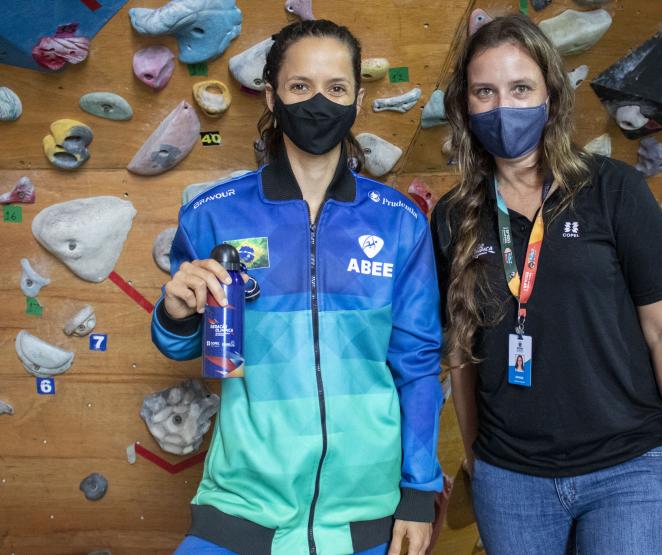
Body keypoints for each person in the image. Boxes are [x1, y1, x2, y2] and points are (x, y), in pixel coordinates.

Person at [151, 19, 443, 555]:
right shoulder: (212, 215)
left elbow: (418, 364)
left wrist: (419, 491)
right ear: (272, 95)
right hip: (240, 507)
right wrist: (174, 313)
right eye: (300, 86)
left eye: (336, 88)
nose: (319, 103)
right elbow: (190, 345)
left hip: (366, 513)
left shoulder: (399, 222)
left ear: (356, 99)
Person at [431, 15, 662, 555]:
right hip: (512, 479)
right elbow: (460, 353)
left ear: (552, 97)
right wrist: (475, 458)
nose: (502, 106)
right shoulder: (451, 217)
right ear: (464, 106)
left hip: (631, 470)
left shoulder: (613, 190)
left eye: (520, 88)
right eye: (484, 91)